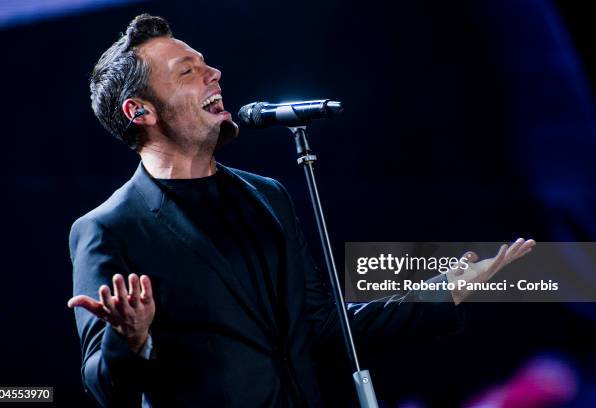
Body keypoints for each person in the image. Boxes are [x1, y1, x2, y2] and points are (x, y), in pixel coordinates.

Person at [67, 14, 535, 407]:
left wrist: (443, 292)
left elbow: (324, 328)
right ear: (140, 111)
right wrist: (129, 340)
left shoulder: (266, 196)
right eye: (188, 71)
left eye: (206, 63)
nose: (215, 74)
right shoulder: (109, 228)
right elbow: (103, 385)